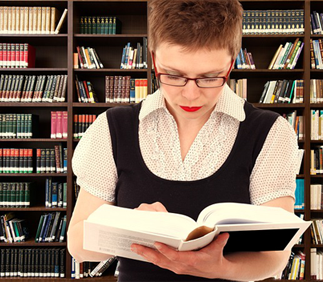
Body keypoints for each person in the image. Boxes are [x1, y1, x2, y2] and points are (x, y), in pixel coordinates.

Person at [67, 0, 300, 281]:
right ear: (153, 59)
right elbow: (77, 245)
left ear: (231, 62)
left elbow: (274, 258)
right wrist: (127, 226)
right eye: (173, 75)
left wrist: (220, 269)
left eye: (210, 77)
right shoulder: (112, 128)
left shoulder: (270, 132)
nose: (190, 95)